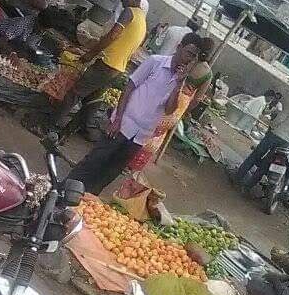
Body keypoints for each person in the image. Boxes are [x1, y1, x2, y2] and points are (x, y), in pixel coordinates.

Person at [66, 33, 203, 195]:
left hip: (141, 136)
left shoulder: (180, 80)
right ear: (179, 47)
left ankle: (85, 200)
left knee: (109, 172)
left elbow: (169, 110)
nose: (189, 60)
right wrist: (117, 119)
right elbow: (129, 87)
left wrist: (178, 85)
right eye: (188, 53)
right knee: (93, 161)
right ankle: (63, 190)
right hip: (123, 124)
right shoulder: (155, 62)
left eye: (193, 57)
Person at [51, 0, 148, 140]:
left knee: (74, 93)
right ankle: (65, 134)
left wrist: (91, 54)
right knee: (92, 102)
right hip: (118, 69)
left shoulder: (129, 12)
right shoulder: (142, 20)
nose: (122, 0)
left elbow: (113, 35)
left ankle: (48, 125)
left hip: (107, 64)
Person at [235, 82, 289, 190]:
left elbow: (281, 118)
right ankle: (248, 186)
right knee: (267, 164)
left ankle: (238, 176)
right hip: (288, 141)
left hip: (276, 133)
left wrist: (271, 126)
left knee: (256, 155)